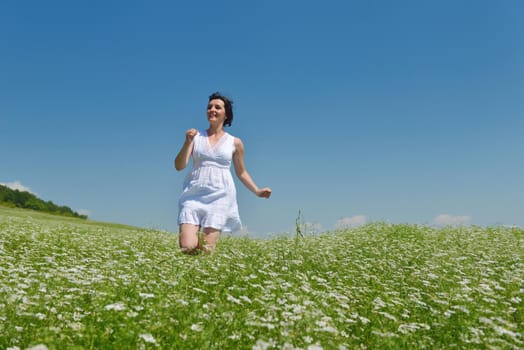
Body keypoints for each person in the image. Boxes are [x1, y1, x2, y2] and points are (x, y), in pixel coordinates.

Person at [174, 92, 272, 254]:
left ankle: (200, 278)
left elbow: (241, 172)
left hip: (220, 196)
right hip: (193, 194)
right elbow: (179, 165)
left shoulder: (235, 142)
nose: (212, 110)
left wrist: (257, 191)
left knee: (206, 250)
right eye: (209, 107)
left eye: (217, 107)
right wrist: (187, 142)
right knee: (187, 246)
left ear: (226, 115)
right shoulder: (196, 137)